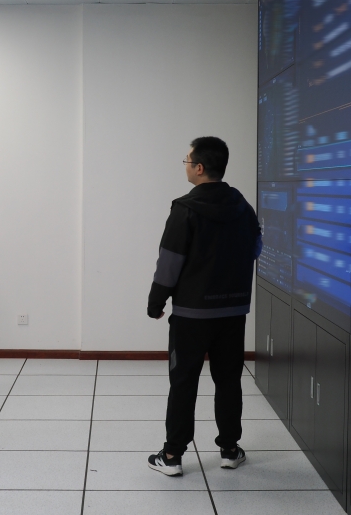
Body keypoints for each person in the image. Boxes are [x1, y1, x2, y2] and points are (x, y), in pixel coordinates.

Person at [146, 137, 262, 476]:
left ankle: (172, 456)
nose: (185, 165)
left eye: (186, 160)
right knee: (229, 381)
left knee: (184, 382)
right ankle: (230, 449)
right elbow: (255, 247)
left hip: (192, 315)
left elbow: (169, 262)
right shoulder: (242, 206)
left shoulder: (185, 209)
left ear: (199, 167)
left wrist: (156, 301)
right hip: (233, 312)